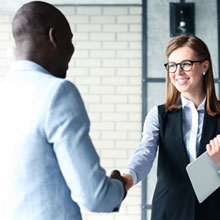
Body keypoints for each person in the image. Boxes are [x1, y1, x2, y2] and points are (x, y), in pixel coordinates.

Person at [0, 1, 126, 220]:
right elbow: (95, 196)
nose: (72, 50)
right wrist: (119, 186)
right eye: (70, 40)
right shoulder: (57, 92)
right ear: (54, 37)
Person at [122, 34, 220, 220]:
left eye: (186, 64)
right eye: (172, 66)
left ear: (205, 66)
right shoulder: (158, 115)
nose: (178, 72)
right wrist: (128, 177)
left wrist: (216, 164)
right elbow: (145, 153)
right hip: (168, 211)